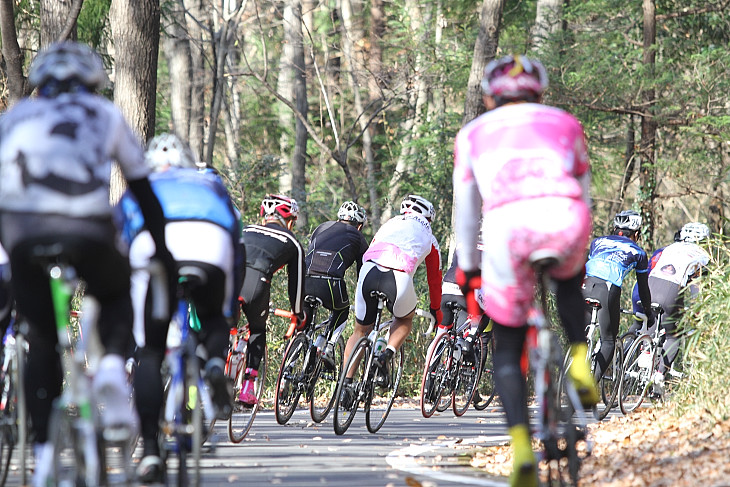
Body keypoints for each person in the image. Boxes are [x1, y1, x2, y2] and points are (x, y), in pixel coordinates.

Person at [0, 42, 176, 485]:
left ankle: (41, 458)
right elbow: (143, 192)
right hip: (89, 231)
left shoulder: (16, 117)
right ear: (93, 82)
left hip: (25, 233)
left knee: (40, 340)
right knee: (115, 295)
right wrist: (162, 249)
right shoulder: (105, 115)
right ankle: (114, 367)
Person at [452, 54, 598, 487]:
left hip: (507, 229)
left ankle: (520, 449)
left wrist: (469, 272)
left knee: (507, 345)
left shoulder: (473, 134)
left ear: (489, 95)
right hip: (565, 216)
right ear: (540, 91)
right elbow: (584, 188)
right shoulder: (566, 122)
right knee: (568, 284)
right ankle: (579, 359)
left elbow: (466, 212)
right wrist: (577, 245)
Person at [118, 133, 242, 483]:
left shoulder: (141, 184)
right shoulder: (209, 183)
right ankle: (215, 363)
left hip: (155, 245)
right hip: (211, 244)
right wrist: (227, 309)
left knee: (151, 350)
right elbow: (236, 237)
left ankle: (152, 453)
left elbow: (119, 240)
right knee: (216, 318)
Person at [340, 194, 443, 404]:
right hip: (399, 276)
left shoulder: (389, 224)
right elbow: (435, 280)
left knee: (360, 330)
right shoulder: (430, 236)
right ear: (427, 218)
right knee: (405, 319)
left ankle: (345, 386)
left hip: (369, 271)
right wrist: (436, 310)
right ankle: (386, 353)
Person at [238, 194, 306, 406]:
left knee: (220, 324)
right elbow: (296, 285)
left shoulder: (246, 229)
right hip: (256, 282)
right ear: (289, 220)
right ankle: (247, 388)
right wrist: (298, 313)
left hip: (229, 276)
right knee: (257, 330)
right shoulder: (292, 241)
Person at [630, 221, 710, 394]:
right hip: (671, 290)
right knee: (674, 335)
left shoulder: (670, 247)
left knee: (652, 323)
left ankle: (645, 351)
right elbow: (697, 288)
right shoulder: (702, 254)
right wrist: (697, 312)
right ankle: (659, 375)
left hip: (650, 285)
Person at [584, 210, 655, 382]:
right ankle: (587, 389)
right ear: (636, 234)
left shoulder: (597, 242)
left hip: (584, 284)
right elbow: (643, 288)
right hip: (607, 288)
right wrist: (648, 311)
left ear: (615, 229)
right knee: (608, 340)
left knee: (581, 334)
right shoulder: (638, 253)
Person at [302, 201, 369, 368]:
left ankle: (294, 361)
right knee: (342, 310)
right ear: (359, 225)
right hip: (330, 282)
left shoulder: (322, 227)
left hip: (304, 278)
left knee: (304, 322)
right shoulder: (358, 236)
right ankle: (329, 346)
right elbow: (363, 271)